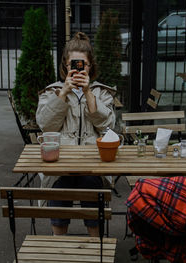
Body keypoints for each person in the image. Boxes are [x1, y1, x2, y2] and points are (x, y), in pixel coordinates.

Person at [36, 32, 116, 237]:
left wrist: (88, 93)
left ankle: (95, 247)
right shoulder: (52, 91)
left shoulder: (102, 93)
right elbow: (46, 126)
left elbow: (108, 127)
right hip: (61, 164)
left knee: (91, 189)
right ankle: (59, 244)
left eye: (83, 65)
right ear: (65, 65)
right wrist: (62, 94)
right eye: (74, 64)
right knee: (59, 187)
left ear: (90, 66)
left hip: (92, 165)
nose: (78, 69)